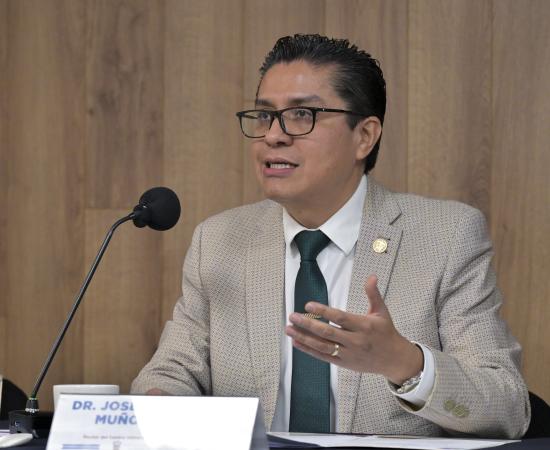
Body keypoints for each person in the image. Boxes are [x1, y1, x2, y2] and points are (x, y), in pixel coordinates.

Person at [131, 34, 530, 438]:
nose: (273, 136)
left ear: (364, 136)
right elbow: (171, 372)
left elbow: (508, 407)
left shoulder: (445, 236)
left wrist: (406, 364)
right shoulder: (220, 241)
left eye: (301, 114)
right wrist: (159, 404)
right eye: (265, 115)